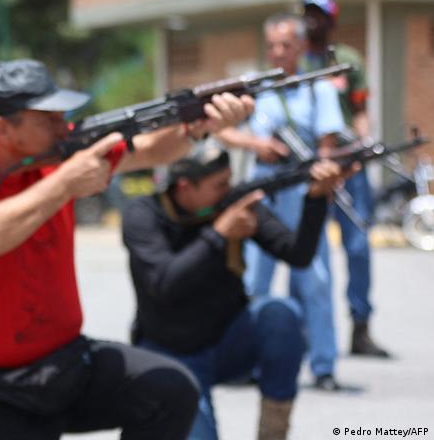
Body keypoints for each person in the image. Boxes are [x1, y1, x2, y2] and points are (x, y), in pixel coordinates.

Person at [0, 58, 254, 440]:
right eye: (49, 119)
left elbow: (148, 150)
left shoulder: (57, 150)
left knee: (170, 390)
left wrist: (200, 128)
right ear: (3, 128)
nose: (65, 127)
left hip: (66, 363)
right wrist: (65, 183)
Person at [122, 143, 346, 439]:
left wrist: (315, 200)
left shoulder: (232, 203)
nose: (228, 190)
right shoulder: (143, 215)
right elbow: (165, 284)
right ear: (185, 186)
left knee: (280, 314)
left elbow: (297, 254)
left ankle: (273, 431)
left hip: (229, 342)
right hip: (171, 353)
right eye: (219, 185)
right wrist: (219, 235)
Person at [218, 12, 346, 391]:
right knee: (256, 278)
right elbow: (222, 130)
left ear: (302, 47)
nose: (278, 53)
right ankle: (248, 360)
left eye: (286, 45)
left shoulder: (317, 88)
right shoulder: (255, 87)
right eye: (272, 45)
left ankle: (323, 365)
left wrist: (320, 179)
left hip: (301, 190)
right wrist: (257, 144)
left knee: (315, 279)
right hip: (263, 186)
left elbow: (327, 143)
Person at [299, 0, 389, 358]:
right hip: (312, 168)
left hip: (349, 167)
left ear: (331, 21)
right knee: (308, 249)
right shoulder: (298, 62)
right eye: (307, 14)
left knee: (357, 246)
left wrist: (364, 143)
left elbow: (360, 110)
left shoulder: (348, 60)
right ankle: (306, 331)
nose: (311, 21)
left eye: (318, 15)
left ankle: (360, 326)